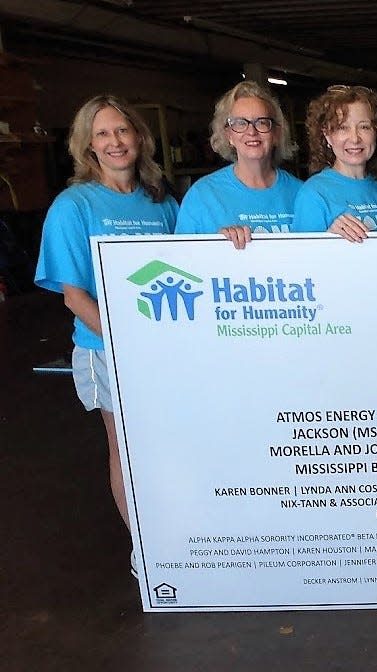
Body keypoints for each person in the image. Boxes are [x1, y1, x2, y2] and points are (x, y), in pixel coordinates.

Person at [34, 95, 178, 573]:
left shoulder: (162, 202)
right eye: (102, 134)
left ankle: (183, 536)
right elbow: (74, 296)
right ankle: (147, 552)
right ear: (87, 146)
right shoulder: (73, 206)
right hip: (107, 352)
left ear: (139, 137)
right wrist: (128, 342)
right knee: (127, 446)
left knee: (170, 442)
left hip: (166, 352)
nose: (115, 142)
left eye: (122, 131)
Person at [175, 81, 301, 248]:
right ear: (228, 135)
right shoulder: (202, 196)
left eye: (262, 122)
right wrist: (216, 247)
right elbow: (182, 261)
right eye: (240, 123)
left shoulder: (303, 193)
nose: (251, 132)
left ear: (277, 133)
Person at [293, 85, 377, 242]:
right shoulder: (313, 194)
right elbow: (302, 261)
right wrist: (329, 237)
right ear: (327, 136)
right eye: (343, 128)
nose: (355, 139)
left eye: (364, 127)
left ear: (376, 132)